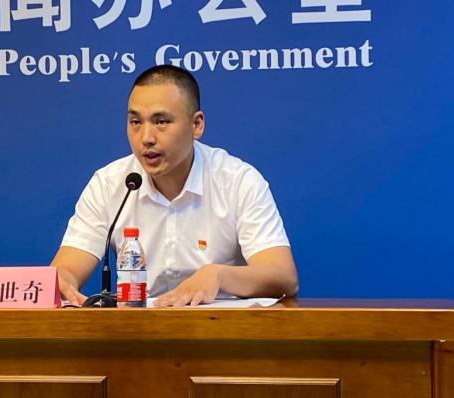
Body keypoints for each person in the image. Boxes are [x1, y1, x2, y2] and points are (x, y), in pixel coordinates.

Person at [51, 65, 298, 307]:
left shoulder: (237, 180)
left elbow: (284, 277)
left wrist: (218, 275)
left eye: (161, 122)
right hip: (137, 328)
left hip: (221, 328)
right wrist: (62, 280)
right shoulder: (109, 184)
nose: (146, 138)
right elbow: (66, 269)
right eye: (135, 122)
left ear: (196, 125)